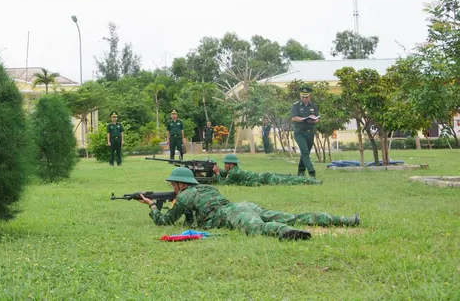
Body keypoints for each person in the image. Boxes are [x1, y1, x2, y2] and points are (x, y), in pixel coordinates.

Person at [137, 168, 359, 241]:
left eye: (172, 184)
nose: (172, 187)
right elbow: (195, 216)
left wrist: (152, 206)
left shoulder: (184, 196)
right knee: (291, 214)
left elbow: (166, 221)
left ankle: (289, 233)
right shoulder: (207, 189)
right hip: (243, 205)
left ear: (179, 184)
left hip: (233, 213)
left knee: (258, 229)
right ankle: (346, 220)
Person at [212, 154, 322, 186]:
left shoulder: (234, 173)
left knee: (291, 181)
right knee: (288, 177)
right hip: (265, 176)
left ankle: (313, 181)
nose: (225, 166)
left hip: (267, 179)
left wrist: (217, 173)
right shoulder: (233, 170)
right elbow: (224, 173)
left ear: (231, 165)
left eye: (226, 164)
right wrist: (217, 170)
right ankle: (308, 179)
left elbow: (222, 183)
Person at [291, 86, 319, 178]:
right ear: (300, 96)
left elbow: (317, 117)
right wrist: (304, 119)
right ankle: (311, 171)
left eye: (306, 97)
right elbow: (294, 118)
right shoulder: (296, 106)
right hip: (299, 132)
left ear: (310, 96)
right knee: (305, 152)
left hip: (310, 132)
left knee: (305, 153)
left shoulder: (313, 106)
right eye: (303, 97)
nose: (304, 99)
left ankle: (301, 171)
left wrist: (314, 120)